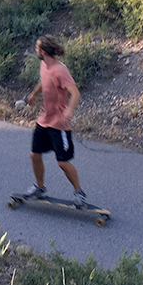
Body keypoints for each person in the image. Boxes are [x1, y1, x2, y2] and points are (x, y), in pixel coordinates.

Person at [24, 35, 86, 206]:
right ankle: (40, 187)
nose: (35, 50)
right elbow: (43, 81)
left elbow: (76, 93)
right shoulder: (44, 65)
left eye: (37, 48)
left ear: (43, 51)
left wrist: (69, 110)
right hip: (44, 120)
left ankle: (79, 192)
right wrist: (34, 94)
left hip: (59, 124)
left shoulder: (60, 70)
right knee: (34, 154)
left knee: (62, 162)